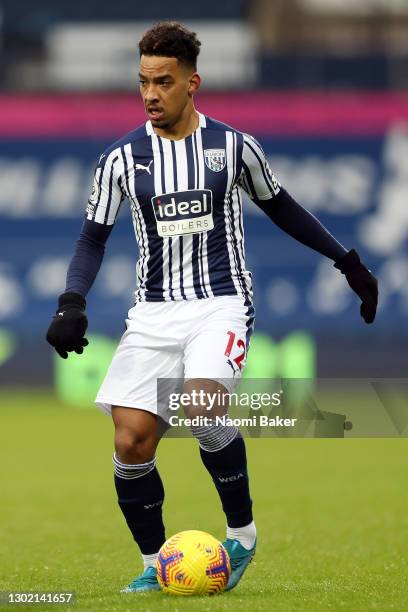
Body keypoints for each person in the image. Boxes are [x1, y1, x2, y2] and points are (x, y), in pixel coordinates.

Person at [46, 21, 378, 594]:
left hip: (220, 302)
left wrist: (346, 261)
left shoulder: (233, 147)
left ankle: (242, 536)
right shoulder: (121, 160)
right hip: (151, 312)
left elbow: (284, 208)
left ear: (192, 83)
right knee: (131, 442)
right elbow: (91, 239)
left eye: (164, 82)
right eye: (143, 82)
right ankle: (156, 565)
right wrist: (72, 300)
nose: (151, 94)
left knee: (201, 406)